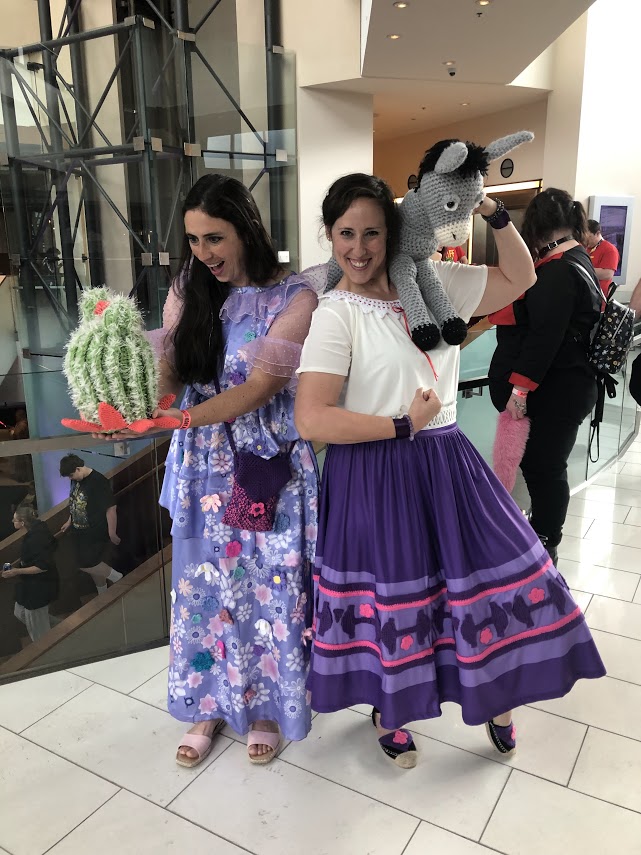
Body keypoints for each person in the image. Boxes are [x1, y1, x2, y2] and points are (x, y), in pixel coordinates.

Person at [295, 172, 605, 769]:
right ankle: (394, 710)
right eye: (345, 234)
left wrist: (488, 208)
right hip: (375, 471)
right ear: (330, 237)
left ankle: (500, 689)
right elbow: (313, 418)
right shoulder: (336, 313)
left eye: (372, 233)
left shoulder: (437, 284)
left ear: (395, 233)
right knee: (401, 596)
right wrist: (399, 425)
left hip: (446, 458)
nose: (358, 248)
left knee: (498, 575)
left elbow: (522, 276)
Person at [150, 174, 318, 768]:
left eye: (215, 238)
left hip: (262, 465)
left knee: (267, 587)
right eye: (194, 241)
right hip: (201, 465)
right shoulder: (185, 291)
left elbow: (261, 387)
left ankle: (266, 706)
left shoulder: (294, 297)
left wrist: (182, 419)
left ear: (246, 228)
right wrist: (151, 399)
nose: (205, 254)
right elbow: (170, 373)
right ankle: (209, 703)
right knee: (202, 587)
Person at [489, 188, 602, 565]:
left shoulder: (557, 270)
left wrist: (519, 390)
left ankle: (546, 541)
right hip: (570, 387)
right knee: (546, 465)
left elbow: (544, 337)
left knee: (544, 467)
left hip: (561, 390)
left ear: (535, 225)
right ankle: (544, 534)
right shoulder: (577, 257)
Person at [59, 454, 122, 594]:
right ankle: (103, 593)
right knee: (92, 563)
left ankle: (117, 577)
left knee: (84, 563)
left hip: (94, 530)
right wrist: (70, 520)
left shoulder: (98, 481)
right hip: (78, 530)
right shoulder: (76, 480)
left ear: (78, 469)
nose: (70, 479)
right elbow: (75, 502)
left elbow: (111, 507)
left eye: (71, 475)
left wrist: (112, 532)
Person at [2, 503, 59, 642]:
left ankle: (45, 652)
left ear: (22, 523)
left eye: (14, 520)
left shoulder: (35, 539)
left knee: (39, 634)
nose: (12, 521)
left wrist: (17, 571)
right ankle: (62, 628)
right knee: (20, 612)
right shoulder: (38, 528)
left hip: (39, 587)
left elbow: (42, 566)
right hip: (32, 584)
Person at [585, 219, 619, 297]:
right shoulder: (585, 247)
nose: (586, 241)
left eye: (589, 237)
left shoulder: (609, 249)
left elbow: (607, 274)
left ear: (597, 233)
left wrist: (583, 269)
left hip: (598, 297)